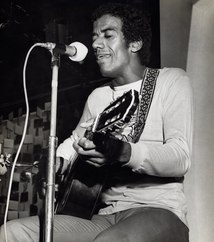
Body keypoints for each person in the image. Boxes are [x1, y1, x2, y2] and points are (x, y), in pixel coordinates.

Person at [0, 3, 193, 242]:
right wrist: (57, 163)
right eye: (94, 37)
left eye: (108, 35)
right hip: (101, 216)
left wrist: (124, 152)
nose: (95, 44)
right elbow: (74, 142)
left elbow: (180, 157)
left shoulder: (170, 81)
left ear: (135, 43)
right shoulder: (99, 97)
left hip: (158, 211)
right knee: (12, 233)